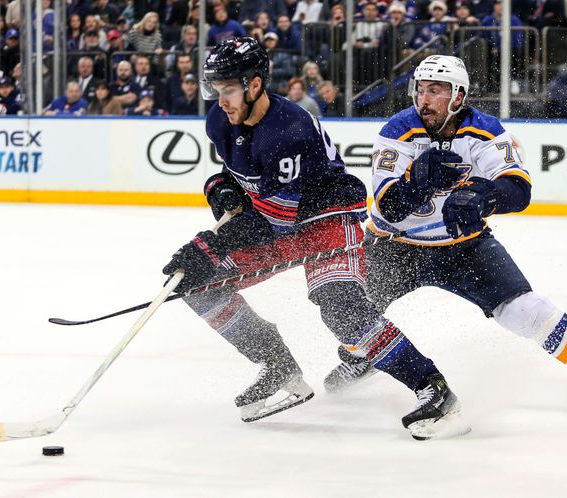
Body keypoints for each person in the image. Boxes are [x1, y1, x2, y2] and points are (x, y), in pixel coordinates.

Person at [161, 37, 465, 439]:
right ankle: (277, 366)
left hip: (325, 220)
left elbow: (274, 223)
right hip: (276, 220)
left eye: (229, 90)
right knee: (198, 287)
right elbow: (239, 180)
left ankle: (433, 389)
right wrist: (220, 187)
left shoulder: (290, 130)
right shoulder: (221, 120)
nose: (222, 100)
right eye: (216, 91)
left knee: (342, 308)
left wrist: (208, 246)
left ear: (255, 86)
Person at [324, 55, 567, 423]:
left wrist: (486, 195)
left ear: (458, 96)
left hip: (464, 246)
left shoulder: (485, 129)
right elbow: (389, 206)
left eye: (436, 91)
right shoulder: (397, 130)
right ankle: (361, 357)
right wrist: (417, 182)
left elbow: (518, 189)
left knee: (527, 311)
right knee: (348, 311)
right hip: (395, 246)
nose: (423, 99)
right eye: (420, 89)